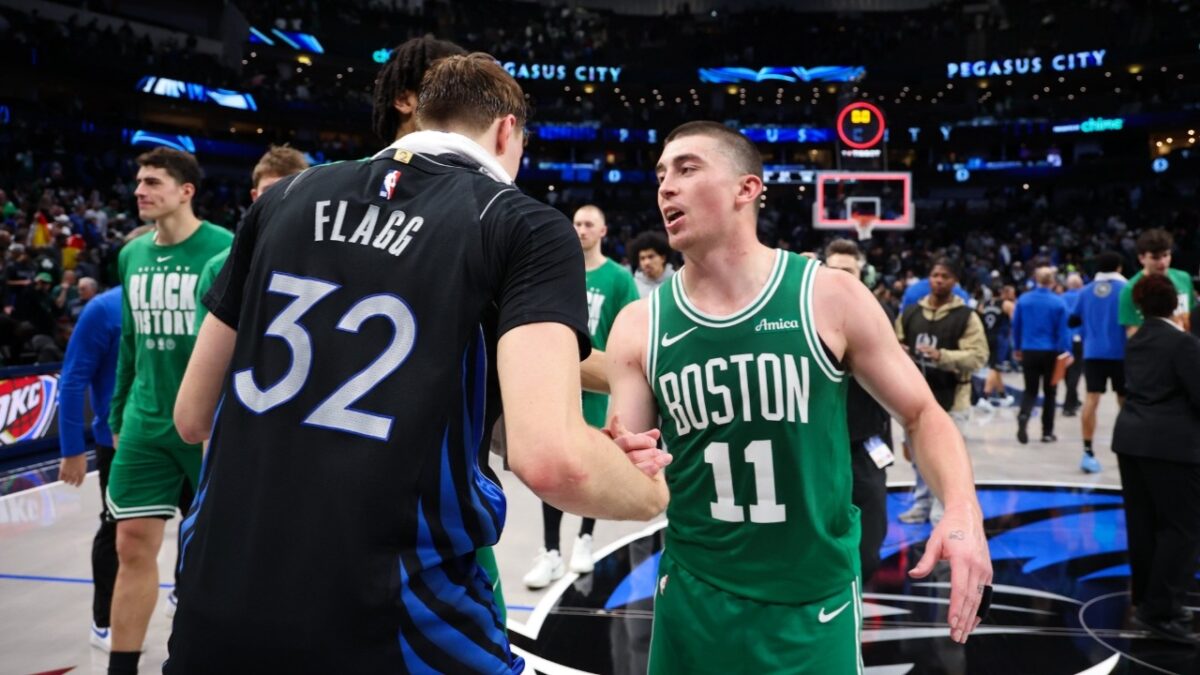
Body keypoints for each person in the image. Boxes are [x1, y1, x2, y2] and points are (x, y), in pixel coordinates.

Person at [166, 53, 668, 673]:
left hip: (215, 601)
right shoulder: (520, 223)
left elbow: (192, 416)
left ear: (421, 114)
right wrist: (646, 493)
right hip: (389, 615)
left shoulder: (286, 198)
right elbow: (552, 460)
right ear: (507, 132)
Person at [606, 121, 991, 674]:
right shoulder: (640, 326)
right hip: (692, 598)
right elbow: (632, 481)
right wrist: (614, 462)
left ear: (748, 188)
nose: (666, 186)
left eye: (688, 169)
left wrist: (961, 507)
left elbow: (921, 412)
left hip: (813, 606)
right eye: (661, 174)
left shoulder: (828, 296)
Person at [105, 148, 233, 675]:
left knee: (213, 554)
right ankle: (122, 667)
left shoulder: (225, 248)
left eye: (152, 181)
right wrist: (117, 416)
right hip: (144, 421)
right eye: (137, 181)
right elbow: (130, 344)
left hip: (208, 424)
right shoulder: (130, 256)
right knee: (130, 542)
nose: (140, 190)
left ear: (186, 191)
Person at [524, 204, 640, 588]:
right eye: (576, 223)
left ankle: (585, 539)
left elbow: (631, 334)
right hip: (560, 381)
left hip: (598, 384)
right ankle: (551, 551)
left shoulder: (619, 279)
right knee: (553, 466)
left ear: (604, 230)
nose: (581, 229)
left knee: (591, 465)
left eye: (588, 224)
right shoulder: (560, 271)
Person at [1112, 273, 1200, 645]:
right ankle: (1161, 609)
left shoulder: (1137, 341)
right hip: (1171, 447)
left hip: (1131, 440)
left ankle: (1146, 600)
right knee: (1181, 528)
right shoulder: (1183, 344)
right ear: (1177, 304)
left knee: (1143, 524)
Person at [895, 258, 988, 526]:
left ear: (954, 281)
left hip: (953, 399)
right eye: (935, 275)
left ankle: (942, 513)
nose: (938, 280)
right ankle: (921, 504)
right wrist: (897, 350)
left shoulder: (966, 317)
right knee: (918, 458)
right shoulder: (911, 312)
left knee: (946, 463)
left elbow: (978, 357)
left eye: (945, 276)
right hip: (915, 398)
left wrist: (942, 356)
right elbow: (893, 342)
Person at [57, 285, 123, 652]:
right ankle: (104, 619)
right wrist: (71, 448)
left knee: (199, 525)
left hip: (181, 435)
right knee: (116, 529)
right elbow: (73, 378)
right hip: (119, 440)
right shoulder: (104, 309)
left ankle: (183, 595)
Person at [825, 239, 892, 582]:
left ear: (862, 274)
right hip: (817, 450)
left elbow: (896, 393)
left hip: (864, 446)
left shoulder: (879, 317)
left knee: (868, 549)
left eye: (847, 272)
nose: (839, 279)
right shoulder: (801, 318)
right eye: (832, 271)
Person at [193, 145, 310, 331]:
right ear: (255, 197)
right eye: (271, 191)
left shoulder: (327, 260)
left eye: (291, 189)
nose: (281, 200)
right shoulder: (220, 266)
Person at [1069, 252, 1127, 474]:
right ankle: (1125, 449)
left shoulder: (1085, 291)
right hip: (1121, 353)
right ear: (1119, 267)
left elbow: (1072, 319)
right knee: (1125, 402)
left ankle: (1087, 451)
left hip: (1093, 352)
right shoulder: (1127, 289)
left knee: (1091, 399)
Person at [1012, 267, 1071, 444]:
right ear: (1053, 282)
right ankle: (1047, 432)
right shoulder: (1058, 302)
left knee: (1030, 390)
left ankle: (1024, 415)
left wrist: (1017, 347)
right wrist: (1066, 351)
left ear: (1036, 280)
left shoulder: (1023, 300)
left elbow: (1016, 326)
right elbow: (1063, 331)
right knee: (1050, 392)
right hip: (1050, 352)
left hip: (1029, 349)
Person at [1119, 228, 1196, 336]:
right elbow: (1132, 331)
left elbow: (1192, 315)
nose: (1162, 262)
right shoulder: (1130, 289)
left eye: (1165, 255)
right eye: (1155, 258)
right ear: (1141, 258)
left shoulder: (1184, 278)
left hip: (1186, 346)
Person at [977, 284, 1015, 407]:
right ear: (1004, 292)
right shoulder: (1007, 304)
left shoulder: (983, 304)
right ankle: (985, 396)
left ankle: (1003, 395)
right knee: (995, 367)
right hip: (1000, 338)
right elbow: (1015, 322)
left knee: (995, 366)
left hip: (986, 337)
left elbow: (977, 320)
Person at [1060, 273, 1085, 417]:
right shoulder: (1083, 298)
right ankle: (1068, 405)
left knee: (1067, 372)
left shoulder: (1061, 298)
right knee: (1075, 373)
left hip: (1064, 340)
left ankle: (1074, 399)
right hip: (1078, 339)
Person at [629, 230, 675, 298]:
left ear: (663, 258)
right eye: (642, 258)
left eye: (651, 257)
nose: (646, 262)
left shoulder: (677, 282)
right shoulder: (632, 286)